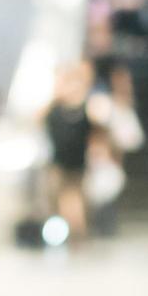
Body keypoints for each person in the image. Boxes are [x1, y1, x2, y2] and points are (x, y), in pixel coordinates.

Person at [44, 61, 96, 242]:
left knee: (74, 199)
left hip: (77, 162)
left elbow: (97, 130)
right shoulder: (55, 108)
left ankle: (78, 235)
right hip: (59, 161)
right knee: (61, 200)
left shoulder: (86, 108)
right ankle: (70, 235)